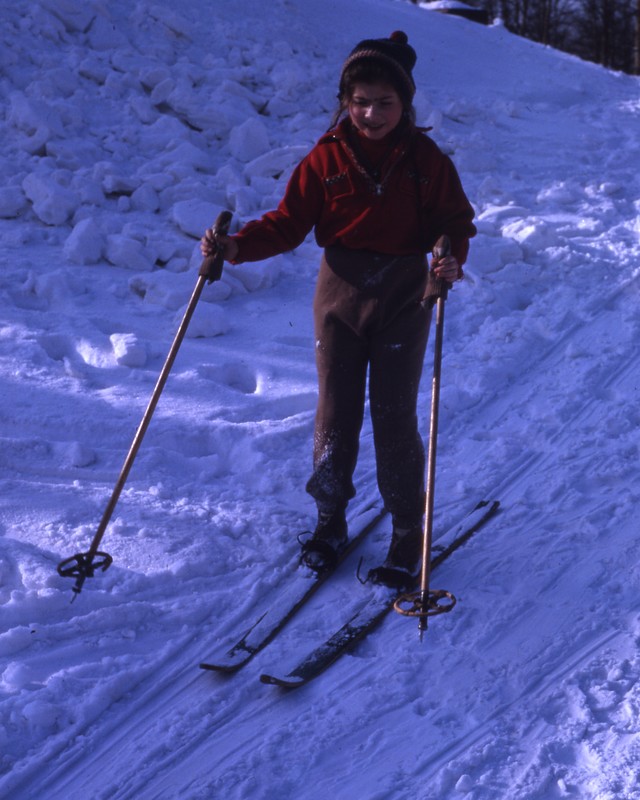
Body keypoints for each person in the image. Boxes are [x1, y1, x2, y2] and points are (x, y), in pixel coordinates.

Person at [201, 31, 476, 588]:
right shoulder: (325, 158)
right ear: (344, 100)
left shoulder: (426, 161)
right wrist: (235, 248)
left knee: (394, 413)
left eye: (385, 103)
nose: (371, 114)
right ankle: (330, 520)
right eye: (360, 101)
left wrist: (448, 259)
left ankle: (405, 529)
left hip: (404, 292)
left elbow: (455, 222)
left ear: (406, 104)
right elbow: (287, 223)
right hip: (340, 292)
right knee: (335, 411)